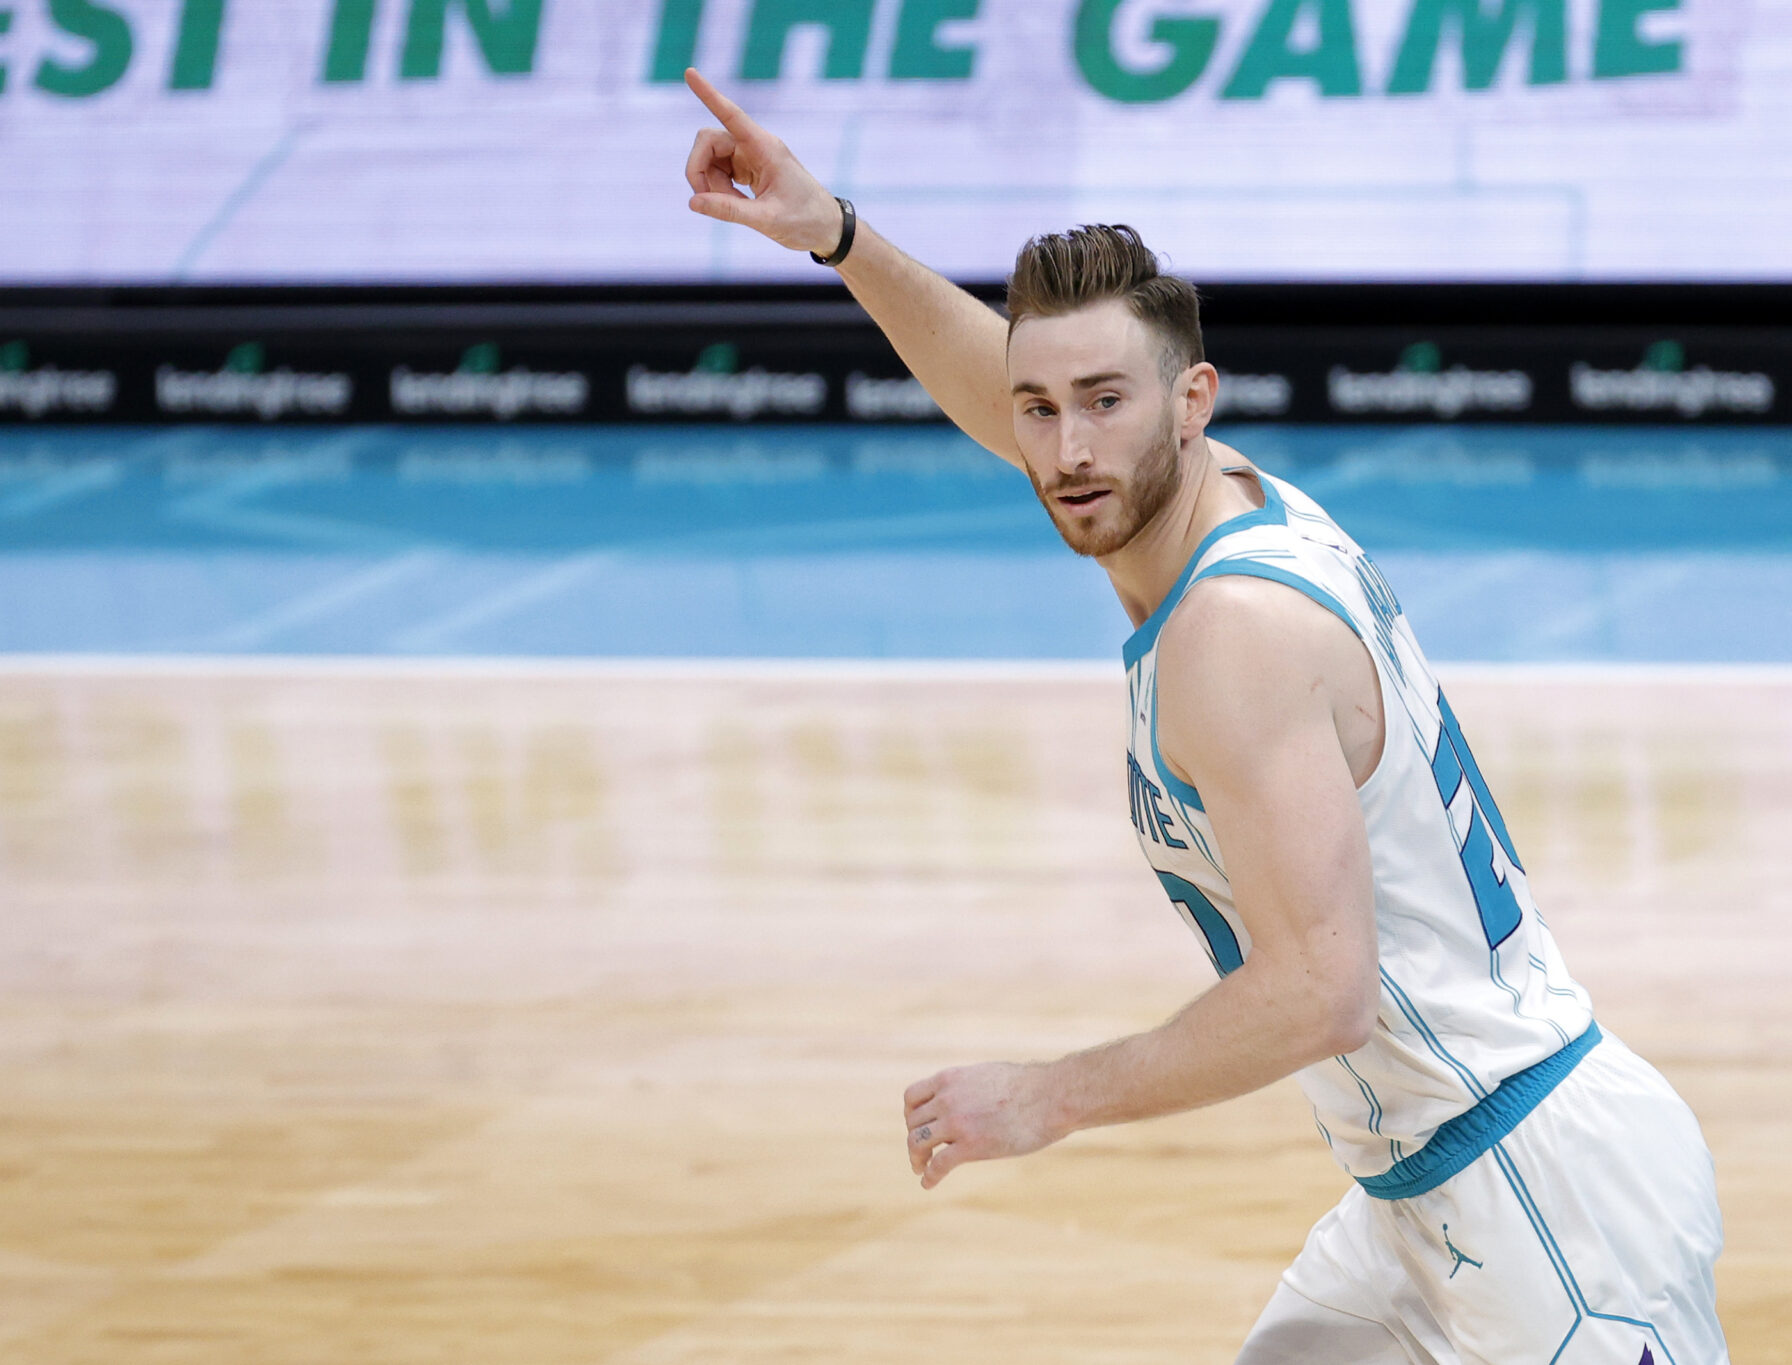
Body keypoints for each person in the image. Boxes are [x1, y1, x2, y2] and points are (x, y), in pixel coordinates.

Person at [678, 69, 1728, 1365]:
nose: (1067, 448)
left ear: (1192, 400)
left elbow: (1321, 995)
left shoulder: (1234, 636)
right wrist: (836, 235)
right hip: (1420, 1194)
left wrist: (1047, 1096)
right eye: (1040, 410)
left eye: (1104, 403)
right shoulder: (1208, 493)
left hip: (1546, 1203)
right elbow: (1017, 380)